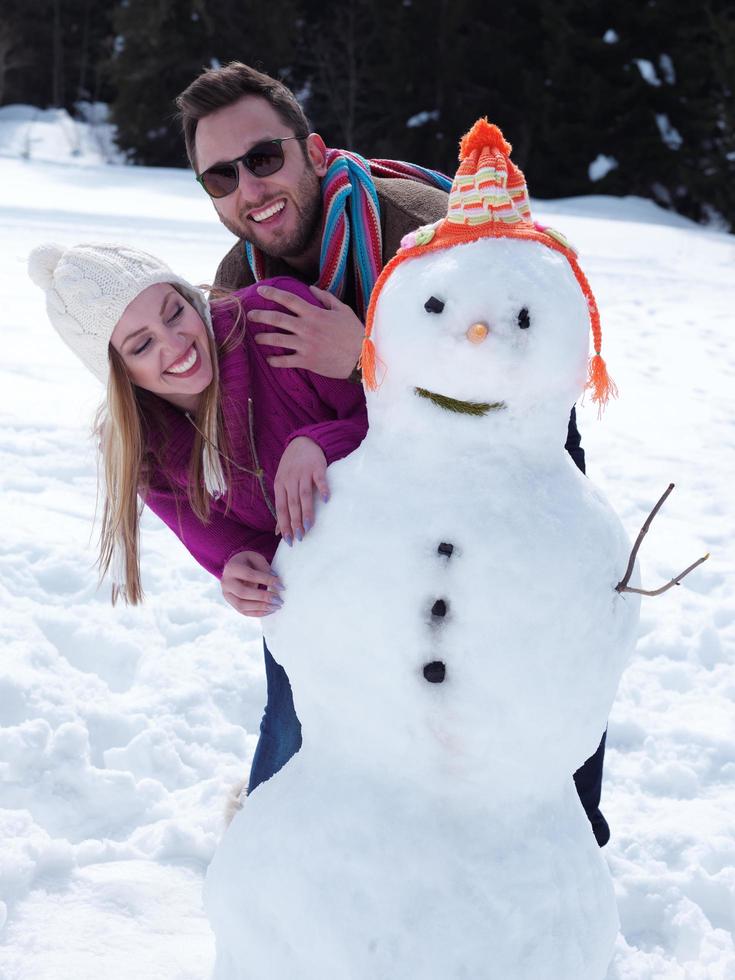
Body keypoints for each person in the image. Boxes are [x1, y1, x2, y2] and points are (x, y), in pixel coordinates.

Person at [175, 61, 610, 843]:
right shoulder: (238, 279)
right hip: (356, 488)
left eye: (264, 158)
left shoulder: (425, 229)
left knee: (533, 637)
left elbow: (523, 369)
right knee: (311, 639)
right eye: (219, 176)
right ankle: (285, 831)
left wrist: (371, 358)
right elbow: (239, 447)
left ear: (312, 152)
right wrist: (236, 556)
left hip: (500, 470)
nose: (248, 187)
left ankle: (563, 839)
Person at [28, 242, 368, 796]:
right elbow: (231, 544)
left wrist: (321, 441)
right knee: (293, 743)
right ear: (120, 374)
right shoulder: (147, 448)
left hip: (417, 556)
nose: (176, 344)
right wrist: (239, 568)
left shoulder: (273, 318)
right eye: (142, 345)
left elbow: (408, 416)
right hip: (322, 600)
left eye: (175, 313)